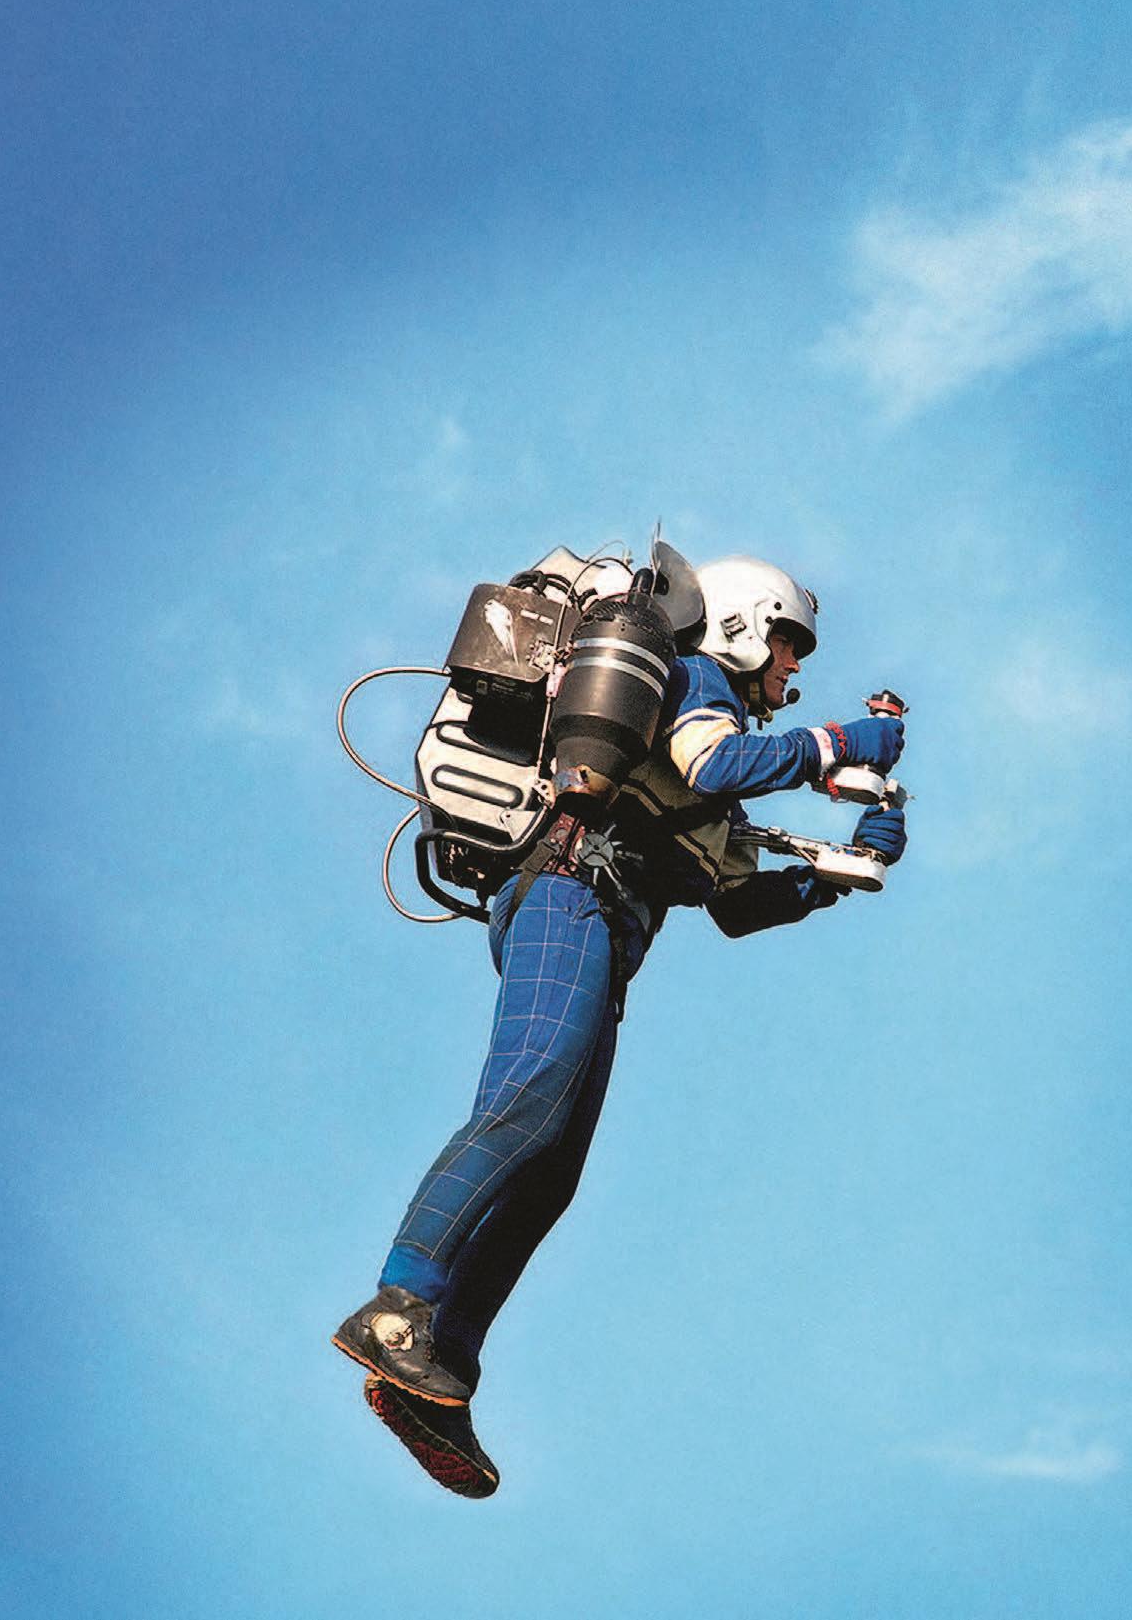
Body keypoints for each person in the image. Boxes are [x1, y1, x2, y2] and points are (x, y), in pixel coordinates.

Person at [332, 555, 907, 1496]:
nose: (792, 667)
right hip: (568, 894)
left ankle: (442, 1374)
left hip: (602, 921)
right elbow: (716, 760)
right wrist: (840, 741)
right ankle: (396, 1309)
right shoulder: (696, 681)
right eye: (786, 642)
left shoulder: (710, 748)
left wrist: (838, 874)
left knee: (550, 1170)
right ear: (741, 622)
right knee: (526, 1102)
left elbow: (734, 904)